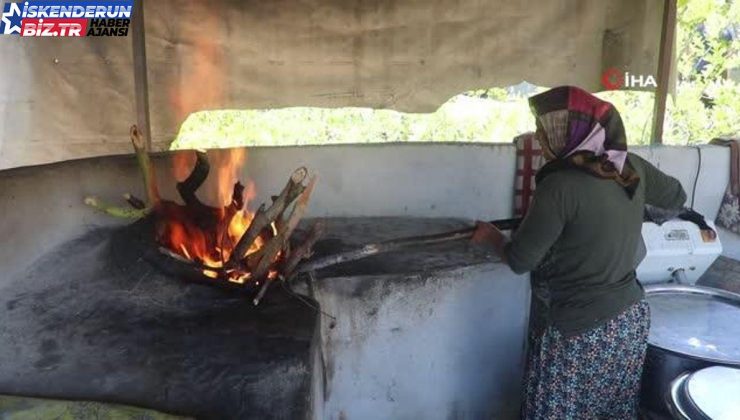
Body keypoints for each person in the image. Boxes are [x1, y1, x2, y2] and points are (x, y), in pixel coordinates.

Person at [472, 86, 686, 419]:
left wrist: (491, 238)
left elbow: (520, 260)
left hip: (578, 333)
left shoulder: (559, 186)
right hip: (629, 321)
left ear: (572, 133)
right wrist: (627, 213)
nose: (540, 139)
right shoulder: (629, 168)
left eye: (548, 131)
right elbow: (675, 196)